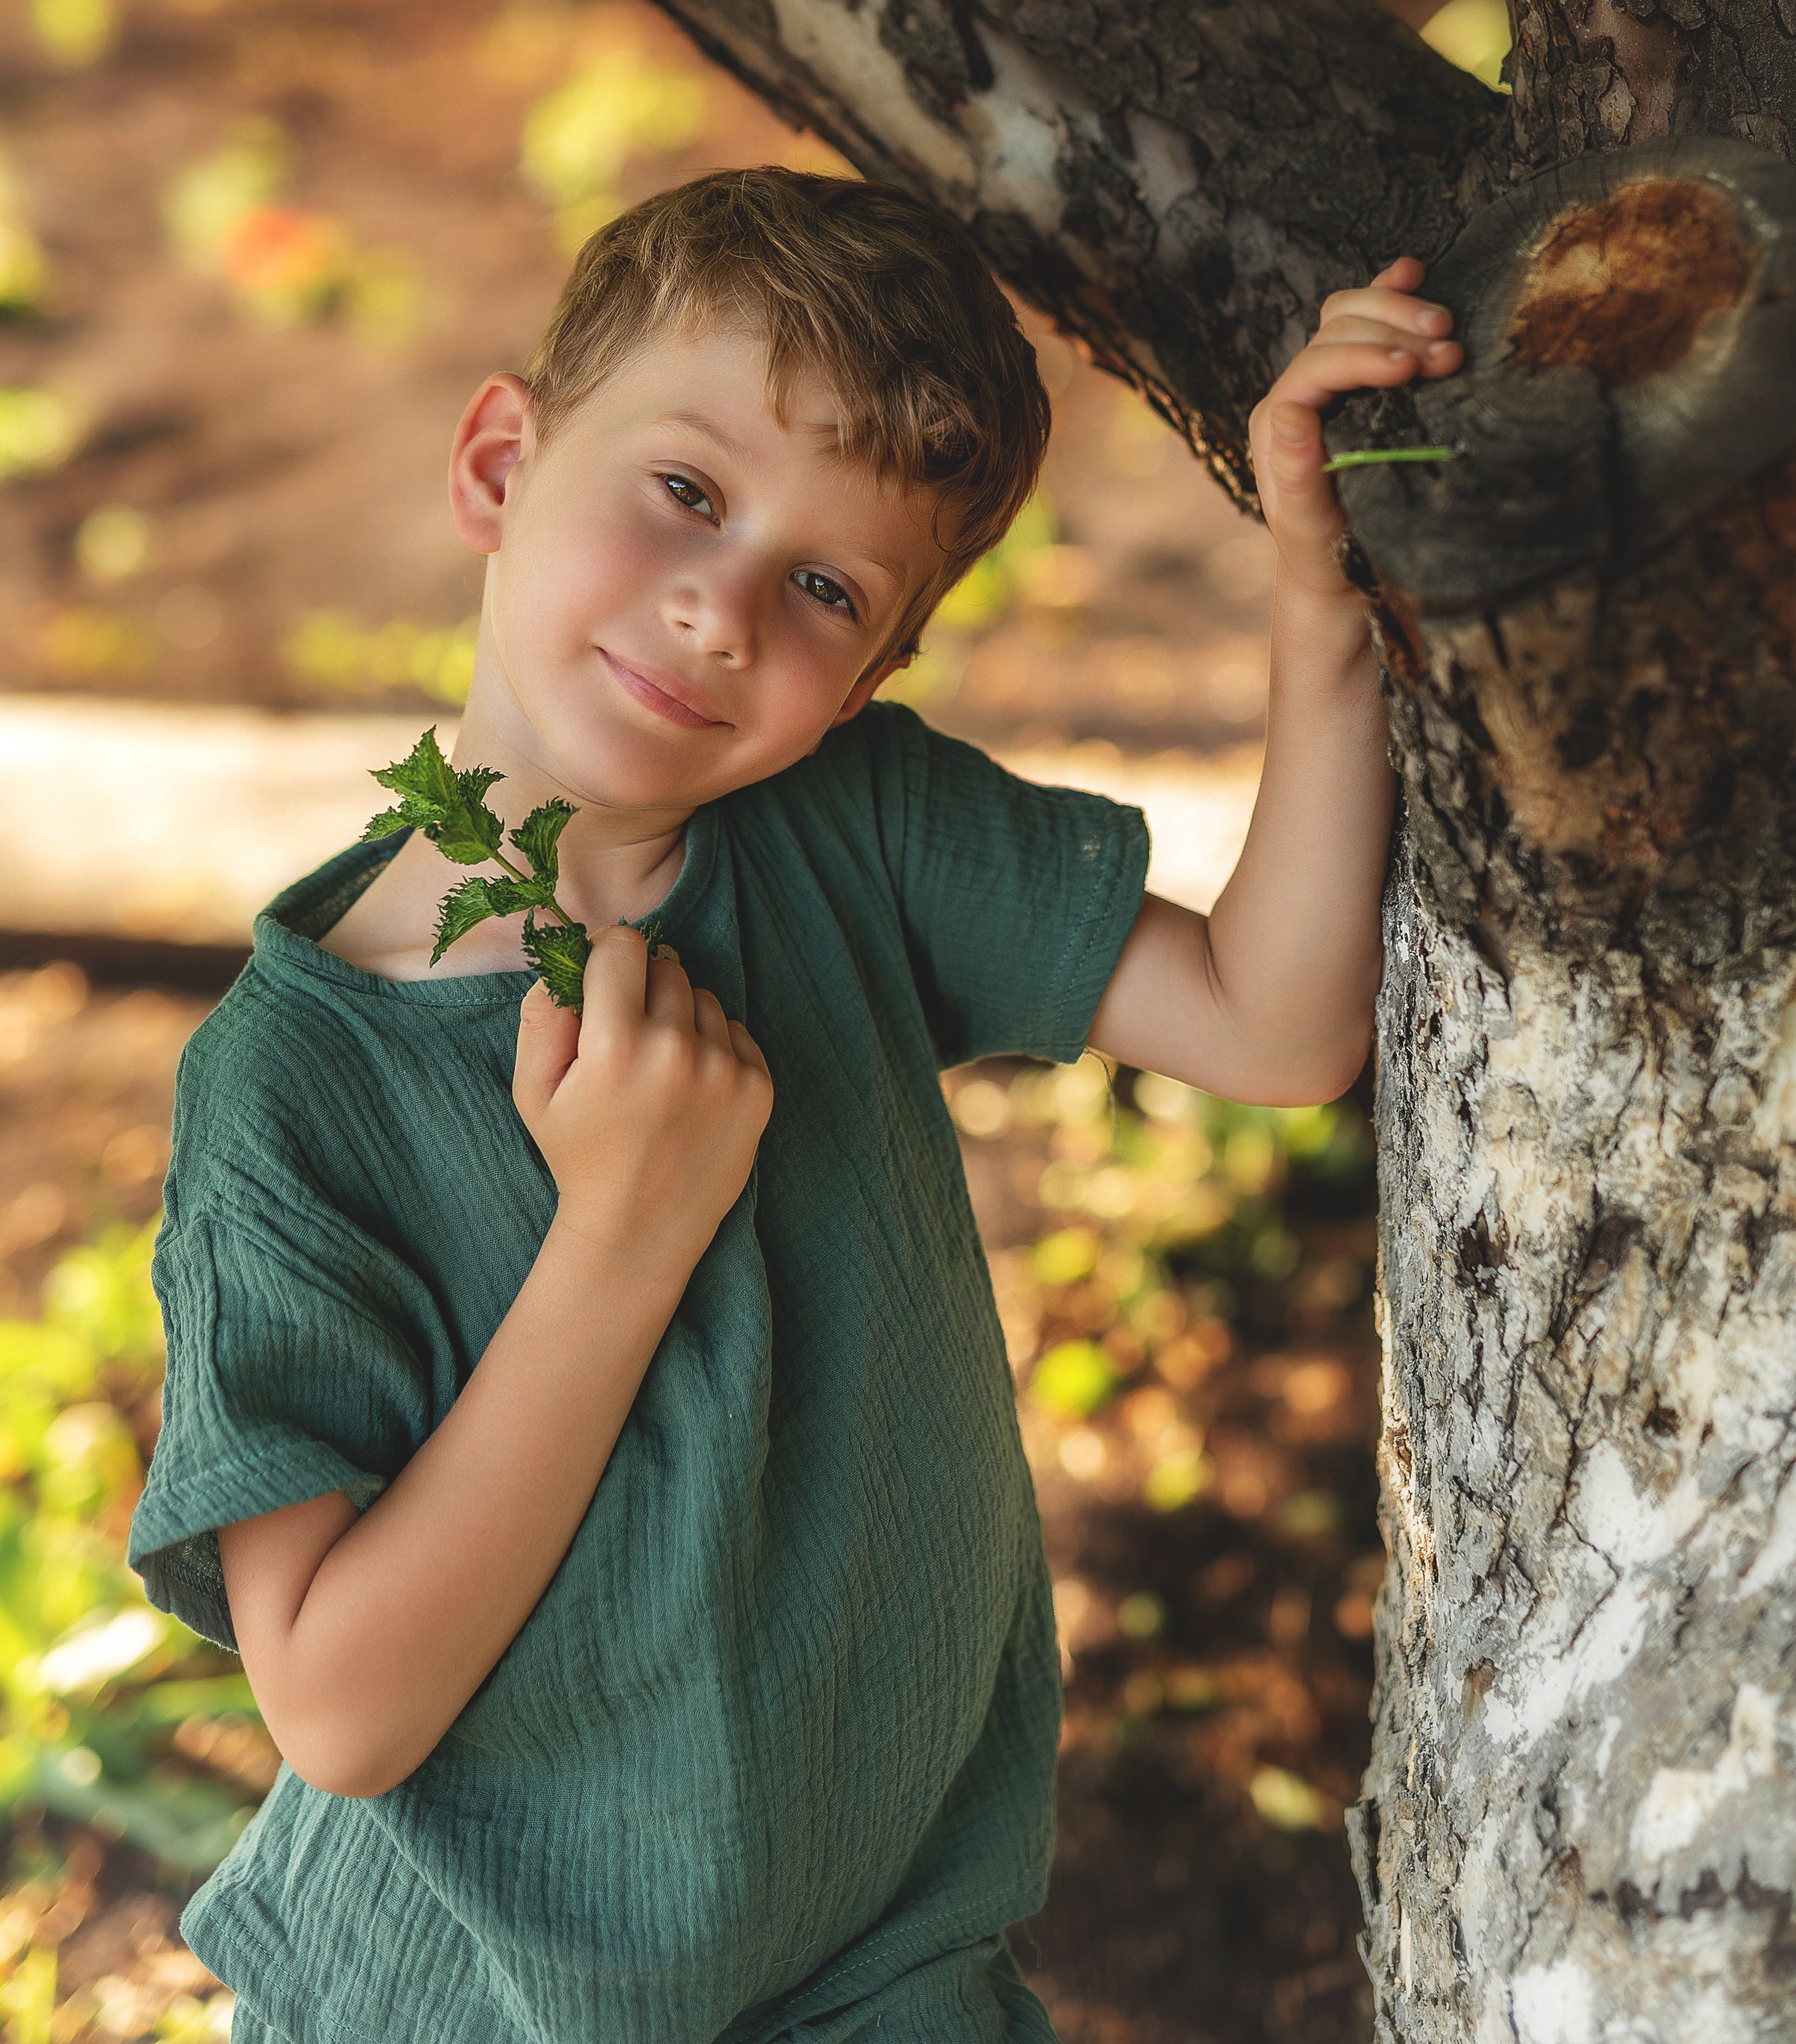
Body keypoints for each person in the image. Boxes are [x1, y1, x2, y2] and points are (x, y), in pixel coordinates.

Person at [129, 169, 1459, 2044]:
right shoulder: (298, 1080)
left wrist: (1324, 596)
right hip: (465, 2008)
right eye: (686, 491)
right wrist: (622, 1232)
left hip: (879, 1970)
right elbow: (339, 1709)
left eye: (824, 586)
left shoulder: (855, 831)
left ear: (871, 680)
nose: (720, 605)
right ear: (501, 464)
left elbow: (1272, 1021)